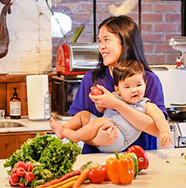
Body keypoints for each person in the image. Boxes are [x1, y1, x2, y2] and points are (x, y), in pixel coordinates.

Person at [67, 15, 168, 153]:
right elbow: (78, 125)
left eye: (107, 40)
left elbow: (156, 129)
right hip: (96, 161)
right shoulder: (91, 79)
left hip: (139, 160)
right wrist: (96, 140)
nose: (101, 47)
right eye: (100, 41)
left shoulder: (148, 80)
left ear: (126, 44)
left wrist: (116, 104)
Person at [51, 59, 172, 150]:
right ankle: (63, 129)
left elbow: (160, 118)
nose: (134, 90)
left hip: (118, 139)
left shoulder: (146, 105)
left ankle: (75, 136)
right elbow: (102, 110)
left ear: (146, 83)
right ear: (118, 89)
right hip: (103, 132)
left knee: (102, 121)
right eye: (127, 87)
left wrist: (165, 132)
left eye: (138, 85)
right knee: (84, 115)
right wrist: (99, 101)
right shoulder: (115, 95)